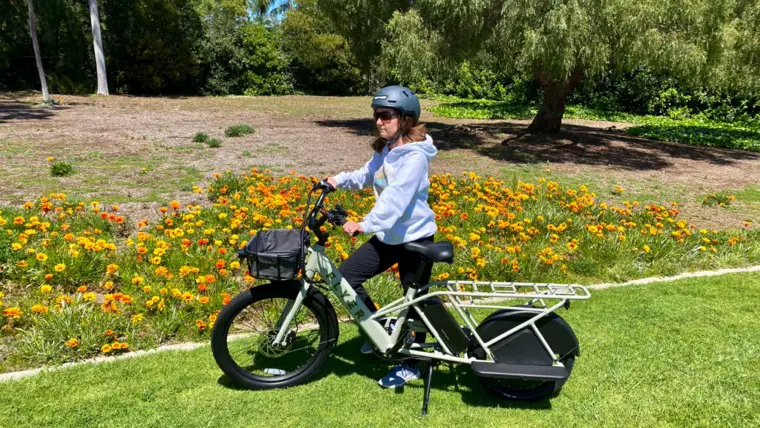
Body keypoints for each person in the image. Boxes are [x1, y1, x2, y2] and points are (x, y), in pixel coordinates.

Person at [325, 85, 438, 389]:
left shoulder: (414, 159)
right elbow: (366, 175)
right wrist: (336, 181)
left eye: (386, 116)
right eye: (376, 115)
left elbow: (396, 200)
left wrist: (365, 224)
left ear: (406, 119)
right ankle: (381, 329)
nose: (379, 121)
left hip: (415, 239)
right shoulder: (386, 151)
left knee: (415, 302)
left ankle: (414, 364)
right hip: (390, 237)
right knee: (346, 277)